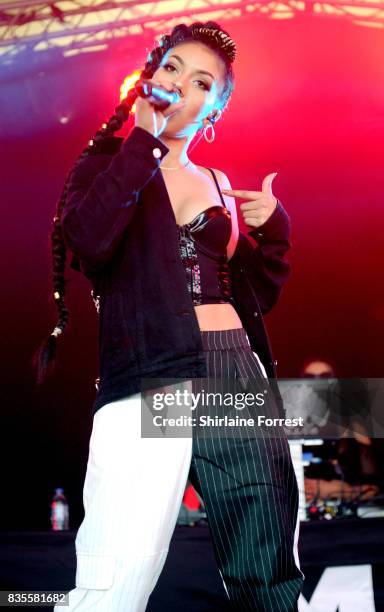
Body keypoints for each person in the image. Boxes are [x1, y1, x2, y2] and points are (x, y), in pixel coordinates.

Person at [33, 20, 304, 612]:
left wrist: (274, 232)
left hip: (234, 372)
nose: (184, 84)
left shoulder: (218, 183)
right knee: (115, 575)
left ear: (214, 110)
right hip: (150, 372)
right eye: (174, 68)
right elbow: (89, 241)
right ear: (150, 80)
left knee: (266, 567)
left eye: (203, 81)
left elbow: (253, 294)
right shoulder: (104, 165)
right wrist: (144, 141)